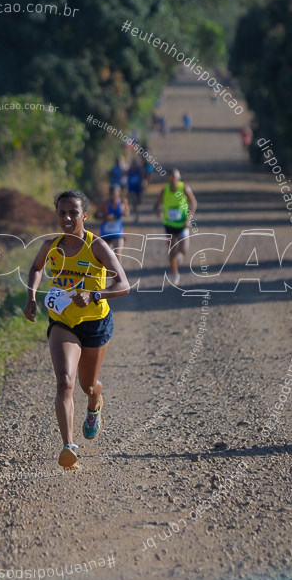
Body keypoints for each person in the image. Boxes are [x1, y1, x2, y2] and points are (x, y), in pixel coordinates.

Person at [24, 190, 131, 470]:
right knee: (64, 381)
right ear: (57, 215)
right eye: (62, 213)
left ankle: (95, 405)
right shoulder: (51, 245)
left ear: (85, 216)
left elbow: (124, 284)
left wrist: (96, 295)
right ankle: (69, 448)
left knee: (87, 386)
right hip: (62, 321)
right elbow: (36, 268)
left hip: (95, 322)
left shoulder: (97, 246)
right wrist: (31, 297)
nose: (68, 218)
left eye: (74, 213)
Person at [153, 169, 198, 286]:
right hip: (169, 225)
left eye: (176, 179)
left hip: (182, 224)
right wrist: (158, 212)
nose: (174, 181)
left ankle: (179, 257)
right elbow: (156, 205)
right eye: (172, 179)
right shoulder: (165, 191)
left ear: (179, 179)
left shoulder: (184, 189)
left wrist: (189, 218)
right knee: (172, 251)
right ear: (169, 179)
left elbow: (193, 203)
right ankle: (175, 273)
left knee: (183, 250)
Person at [96, 184, 129, 251]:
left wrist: (122, 213)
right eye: (111, 194)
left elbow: (127, 213)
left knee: (117, 254)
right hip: (105, 233)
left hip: (117, 232)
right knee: (107, 256)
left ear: (118, 193)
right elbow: (95, 215)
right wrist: (105, 217)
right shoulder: (104, 202)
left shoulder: (123, 201)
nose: (112, 196)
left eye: (114, 194)